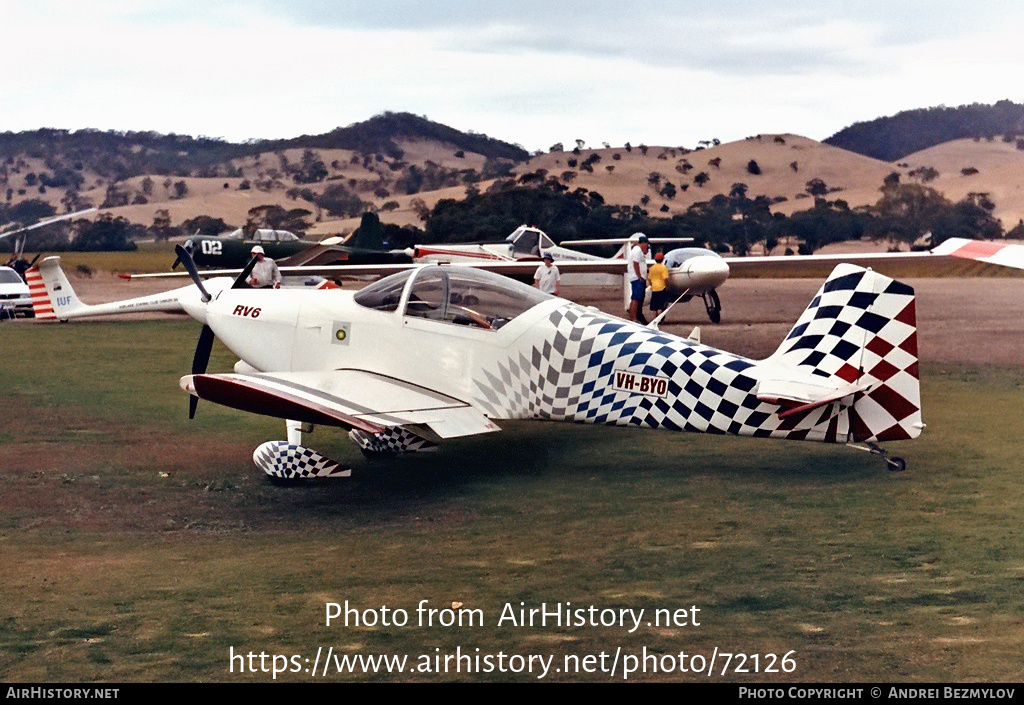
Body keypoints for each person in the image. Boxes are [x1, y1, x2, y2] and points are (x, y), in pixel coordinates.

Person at [626, 234, 649, 322]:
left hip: (637, 277)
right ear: (643, 243)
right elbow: (636, 263)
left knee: (637, 298)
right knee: (635, 298)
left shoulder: (638, 250)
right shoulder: (637, 250)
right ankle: (633, 318)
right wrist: (639, 276)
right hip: (637, 278)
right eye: (646, 243)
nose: (647, 245)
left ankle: (634, 317)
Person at [648, 250, 669, 319]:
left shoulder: (651, 268)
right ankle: (659, 319)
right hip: (661, 288)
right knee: (660, 306)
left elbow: (649, 279)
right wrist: (667, 286)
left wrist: (652, 285)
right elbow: (665, 278)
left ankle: (654, 319)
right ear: (662, 259)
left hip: (654, 288)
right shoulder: (663, 268)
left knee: (654, 307)